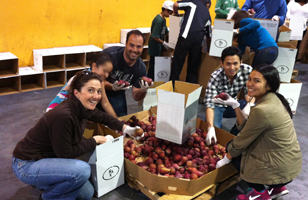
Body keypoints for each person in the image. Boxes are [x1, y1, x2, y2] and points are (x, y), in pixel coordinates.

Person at [12, 71, 139, 200]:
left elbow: (103, 117)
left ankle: (45, 182)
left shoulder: (82, 107)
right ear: (77, 93)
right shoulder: (64, 116)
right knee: (82, 171)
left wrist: (125, 128)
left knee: (87, 193)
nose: (96, 96)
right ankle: (46, 197)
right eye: (90, 90)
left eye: (99, 91)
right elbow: (66, 154)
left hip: (49, 157)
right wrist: (94, 141)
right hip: (27, 164)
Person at [215, 65, 302, 200]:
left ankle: (259, 193)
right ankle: (277, 188)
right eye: (249, 79)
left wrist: (226, 158)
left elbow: (242, 140)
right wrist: (236, 105)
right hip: (289, 165)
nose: (250, 84)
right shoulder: (275, 99)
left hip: (280, 168)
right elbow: (249, 126)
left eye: (257, 81)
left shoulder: (263, 110)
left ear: (269, 86)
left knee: (233, 147)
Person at [204, 46, 253, 145]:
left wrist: (250, 105)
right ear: (221, 63)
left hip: (233, 104)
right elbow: (209, 104)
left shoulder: (247, 70)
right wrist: (210, 127)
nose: (232, 68)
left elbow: (253, 92)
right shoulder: (215, 77)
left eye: (235, 63)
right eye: (228, 64)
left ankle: (235, 132)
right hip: (218, 106)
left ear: (241, 62)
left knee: (255, 107)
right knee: (215, 135)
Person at [46, 52, 118, 118]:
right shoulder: (81, 79)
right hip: (58, 114)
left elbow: (105, 102)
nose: (107, 75)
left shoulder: (99, 80)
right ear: (94, 66)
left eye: (108, 72)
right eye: (105, 71)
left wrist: (118, 120)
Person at [103, 30, 152, 117]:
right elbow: (96, 81)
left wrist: (143, 91)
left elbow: (136, 97)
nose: (134, 50)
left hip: (117, 94)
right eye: (131, 45)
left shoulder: (141, 68)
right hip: (98, 90)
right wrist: (112, 87)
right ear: (126, 43)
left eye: (139, 46)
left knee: (122, 121)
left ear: (143, 47)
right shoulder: (109, 56)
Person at [169, 0, 212, 84]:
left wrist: (176, 13)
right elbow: (209, 36)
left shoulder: (193, 2)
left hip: (184, 38)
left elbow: (175, 4)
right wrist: (209, 52)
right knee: (192, 69)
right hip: (197, 44)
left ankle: (172, 88)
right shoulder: (208, 14)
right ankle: (189, 91)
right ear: (208, 5)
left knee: (177, 66)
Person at [147, 1, 174, 80]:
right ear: (165, 9)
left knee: (157, 65)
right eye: (170, 12)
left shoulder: (163, 19)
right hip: (154, 47)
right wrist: (164, 43)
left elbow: (165, 31)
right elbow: (154, 36)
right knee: (153, 66)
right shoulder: (158, 20)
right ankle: (149, 82)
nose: (171, 14)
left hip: (159, 46)